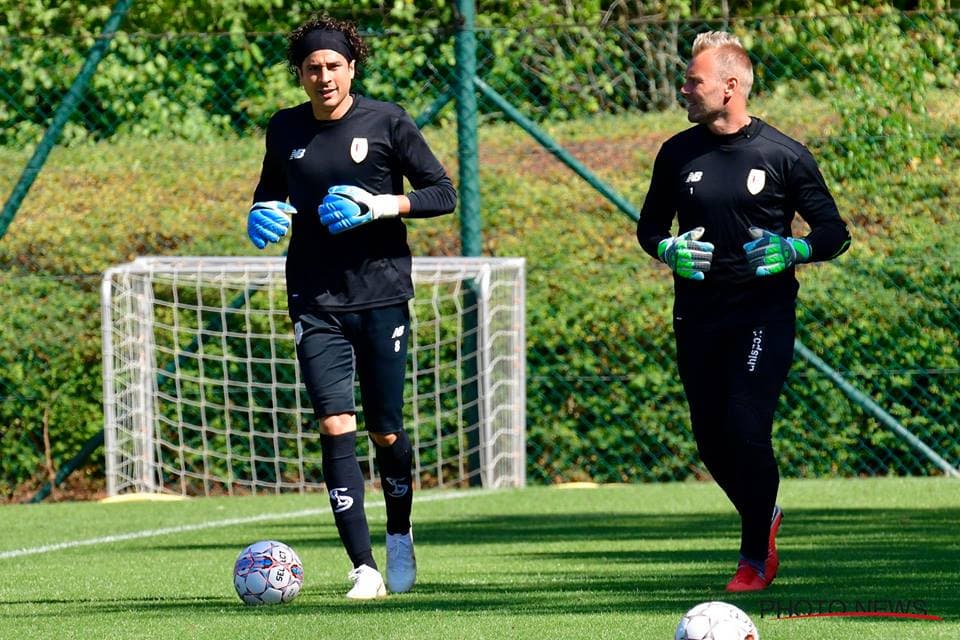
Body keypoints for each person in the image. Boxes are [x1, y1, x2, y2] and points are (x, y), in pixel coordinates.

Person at [246, 15, 457, 599]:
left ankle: (399, 533)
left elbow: (444, 193)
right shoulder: (284, 127)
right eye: (312, 68)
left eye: (333, 66)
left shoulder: (386, 121)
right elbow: (270, 191)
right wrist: (260, 212)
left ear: (352, 68)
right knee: (335, 423)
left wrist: (381, 205)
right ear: (300, 74)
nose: (324, 77)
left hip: (381, 294)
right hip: (314, 299)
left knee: (385, 431)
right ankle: (363, 567)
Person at [635, 31, 850, 592]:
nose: (684, 89)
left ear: (730, 86)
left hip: (762, 314)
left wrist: (795, 249)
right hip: (696, 315)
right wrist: (667, 249)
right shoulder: (677, 153)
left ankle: (754, 557)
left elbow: (834, 232)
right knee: (710, 439)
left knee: (746, 426)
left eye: (694, 81)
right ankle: (765, 513)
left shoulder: (782, 154)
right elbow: (649, 227)